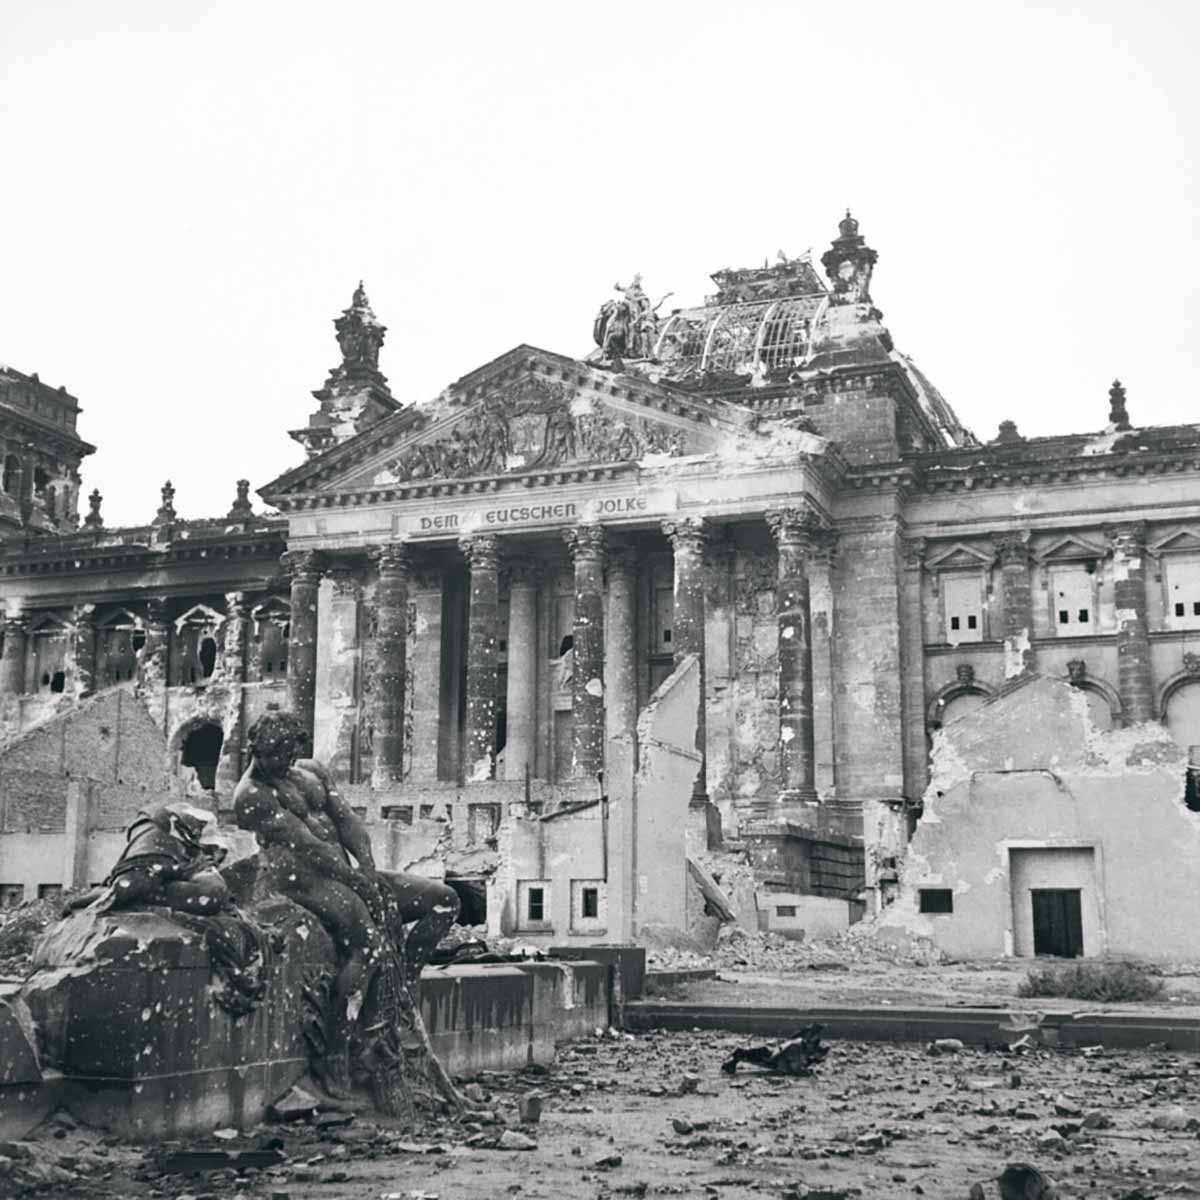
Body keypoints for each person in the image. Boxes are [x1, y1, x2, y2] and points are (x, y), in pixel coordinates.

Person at [233, 711, 460, 1095]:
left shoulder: (312, 772)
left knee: (444, 901)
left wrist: (367, 869)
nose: (285, 762)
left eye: (290, 754)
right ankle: (336, 1054)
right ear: (258, 751)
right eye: (276, 756)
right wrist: (360, 884)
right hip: (301, 880)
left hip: (344, 872)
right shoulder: (250, 795)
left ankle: (405, 980)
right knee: (368, 946)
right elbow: (308, 845)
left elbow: (348, 822)